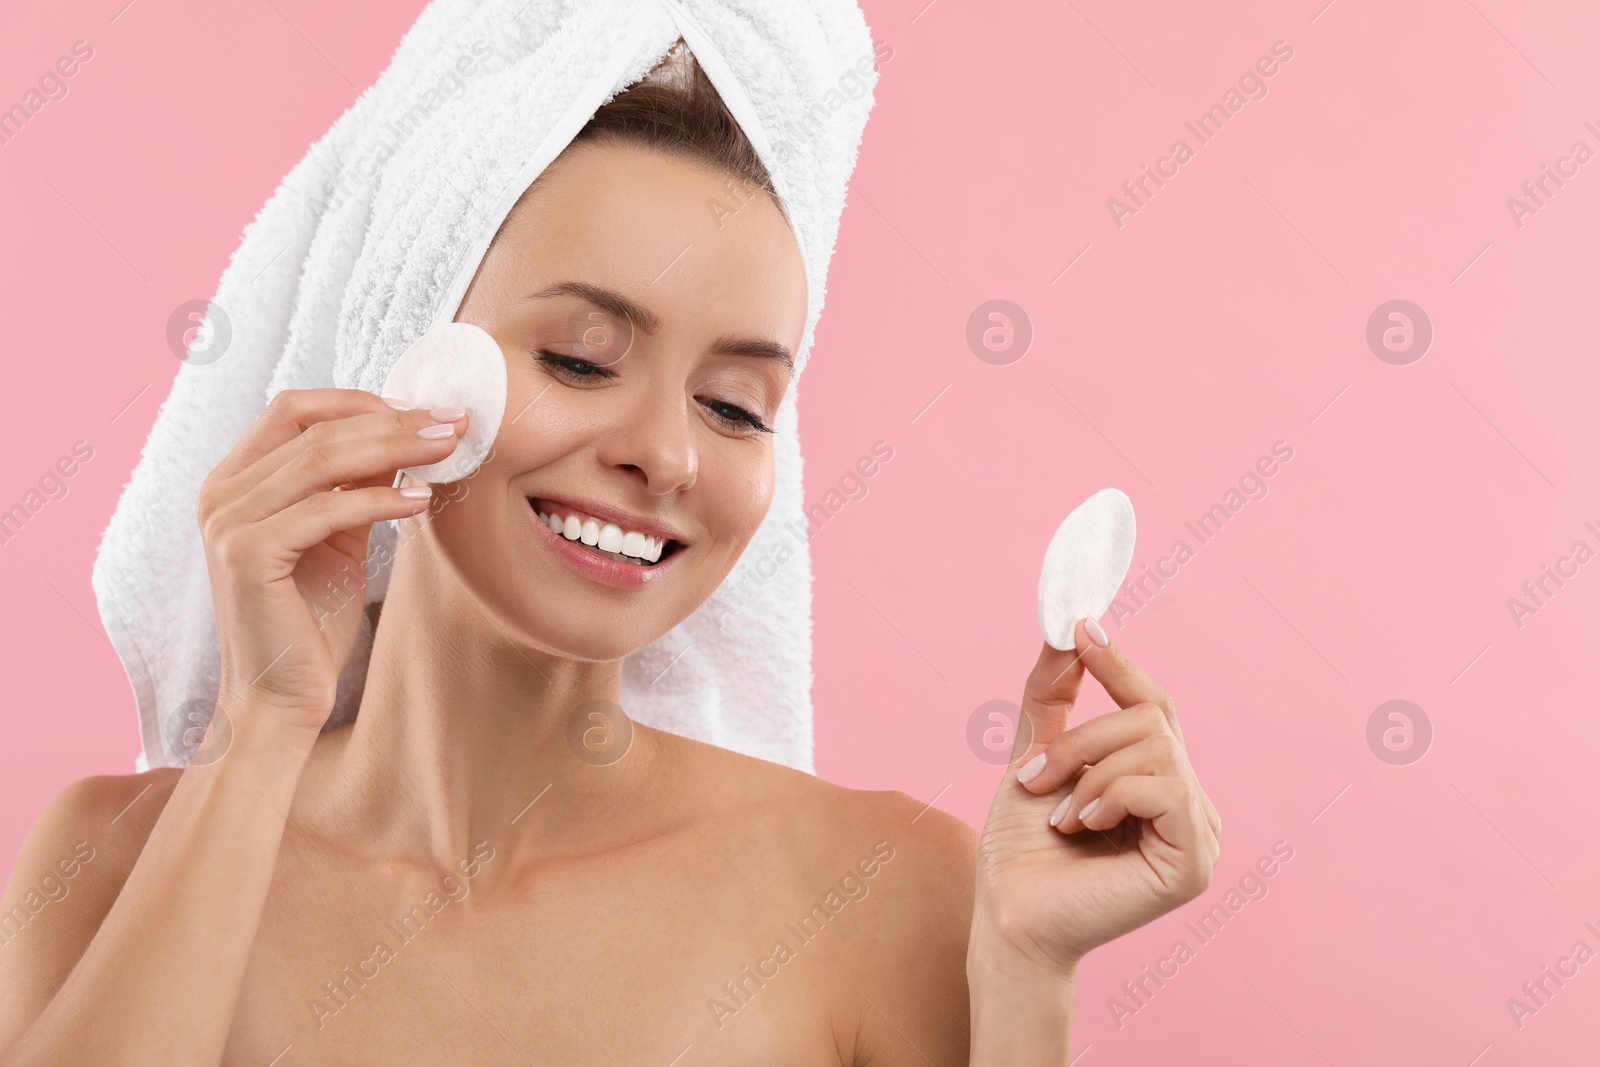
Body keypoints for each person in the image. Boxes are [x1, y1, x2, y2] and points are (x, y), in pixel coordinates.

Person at [0, 42, 1218, 1066]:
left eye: (735, 405)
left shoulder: (888, 891)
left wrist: (1020, 976)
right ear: (404, 353)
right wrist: (260, 727)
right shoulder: (110, 864)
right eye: (581, 358)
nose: (667, 453)